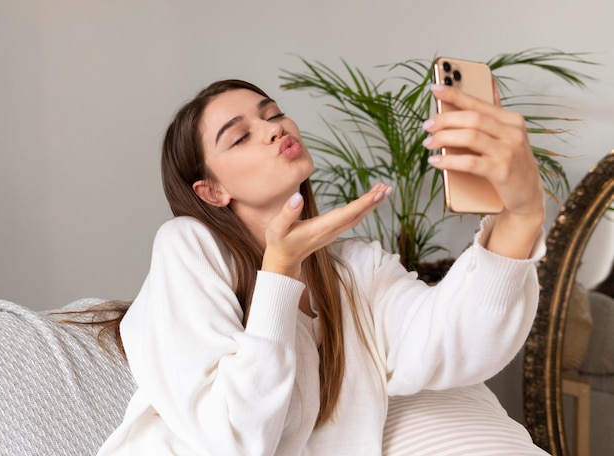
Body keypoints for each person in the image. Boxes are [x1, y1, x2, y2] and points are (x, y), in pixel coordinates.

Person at [96, 78, 545, 455]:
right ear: (211, 191)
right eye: (240, 136)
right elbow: (234, 439)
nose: (274, 129)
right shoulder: (187, 244)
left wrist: (522, 215)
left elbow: (455, 341)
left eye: (272, 115)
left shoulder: (354, 269)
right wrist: (278, 272)